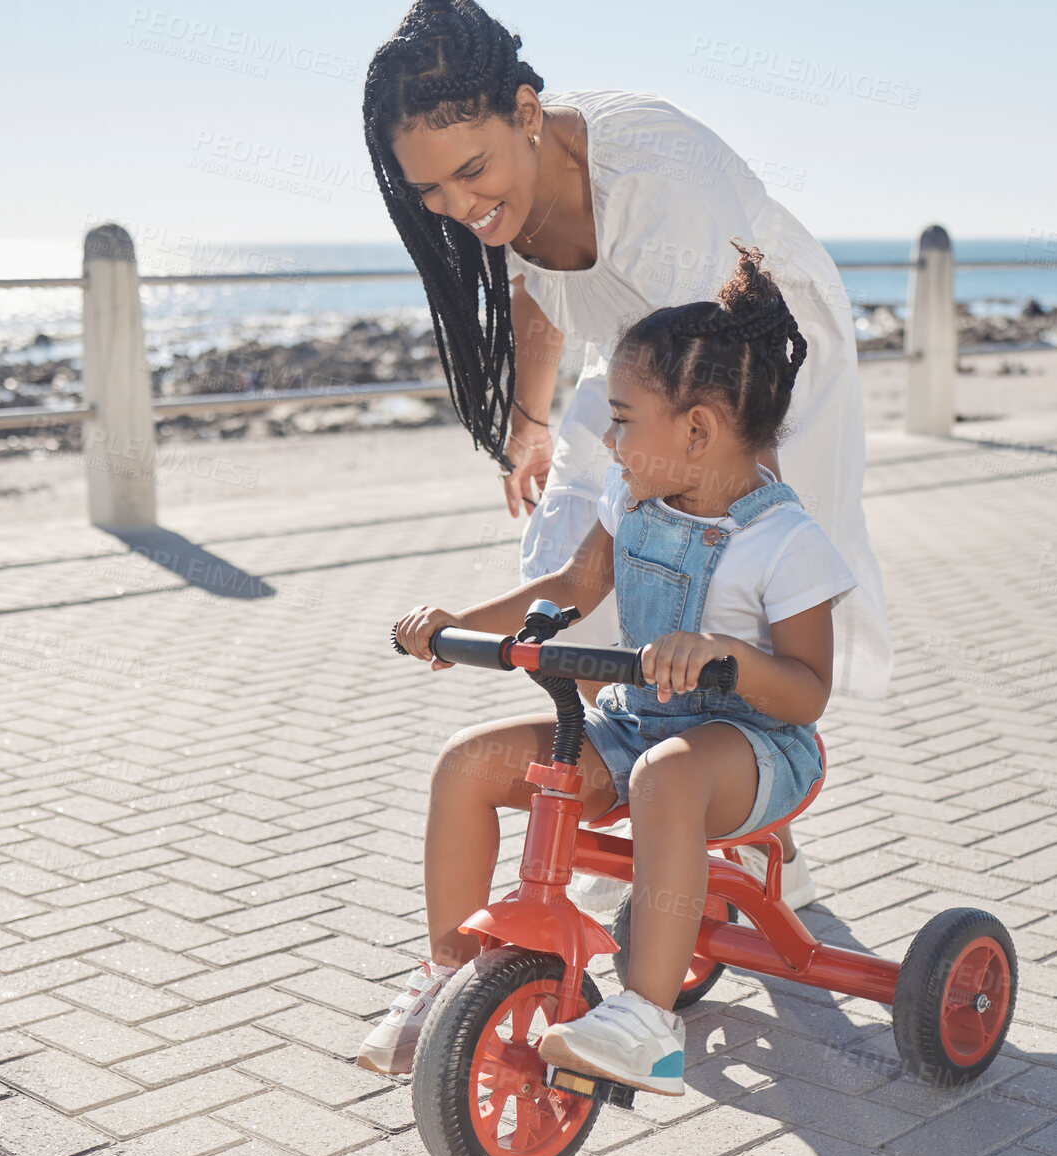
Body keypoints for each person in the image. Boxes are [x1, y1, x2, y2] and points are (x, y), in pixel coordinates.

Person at [363, 0, 891, 910]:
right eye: (431, 194)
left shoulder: (657, 182)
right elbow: (532, 285)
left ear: (528, 113)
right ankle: (660, 796)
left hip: (754, 363)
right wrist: (529, 425)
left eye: (471, 173)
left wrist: (661, 491)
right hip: (640, 372)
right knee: (583, 568)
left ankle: (748, 825)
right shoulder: (508, 190)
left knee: (731, 584)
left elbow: (718, 372)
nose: (459, 208)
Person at [358, 245, 856, 1094]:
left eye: (624, 419)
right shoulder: (631, 502)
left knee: (667, 775)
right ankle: (446, 978)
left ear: (696, 431)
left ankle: (647, 1024)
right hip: (642, 726)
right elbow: (569, 586)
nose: (607, 437)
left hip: (759, 749)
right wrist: (456, 626)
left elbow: (809, 692)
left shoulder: (785, 542)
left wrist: (726, 660)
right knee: (467, 764)